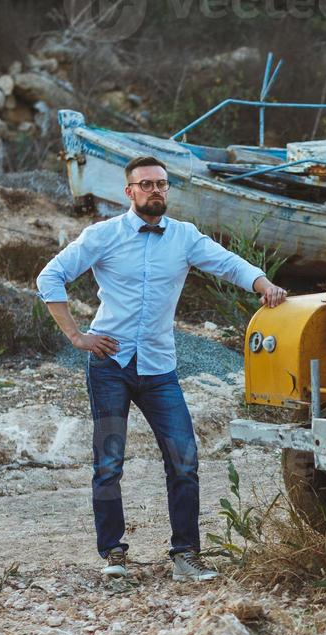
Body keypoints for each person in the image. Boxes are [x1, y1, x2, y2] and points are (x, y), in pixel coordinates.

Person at [37, 155, 287, 582]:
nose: (156, 190)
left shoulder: (184, 237)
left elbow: (227, 262)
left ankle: (186, 556)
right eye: (147, 184)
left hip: (159, 368)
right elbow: (50, 277)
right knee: (109, 462)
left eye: (162, 184)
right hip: (109, 364)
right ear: (129, 192)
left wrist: (263, 284)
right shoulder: (103, 235)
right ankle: (114, 555)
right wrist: (77, 337)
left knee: (184, 458)